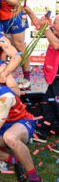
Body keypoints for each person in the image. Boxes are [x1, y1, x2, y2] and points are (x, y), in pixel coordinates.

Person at [24, 7, 59, 145]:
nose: (52, 25)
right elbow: (40, 25)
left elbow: (56, 45)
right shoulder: (53, 31)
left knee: (54, 106)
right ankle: (43, 132)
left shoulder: (54, 37)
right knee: (47, 104)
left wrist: (45, 28)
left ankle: (44, 131)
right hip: (54, 79)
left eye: (55, 23)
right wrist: (29, 12)